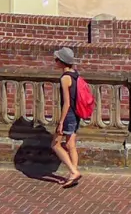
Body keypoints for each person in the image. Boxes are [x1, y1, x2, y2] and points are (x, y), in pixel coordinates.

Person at [51, 46, 83, 189]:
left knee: (55, 144)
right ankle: (73, 174)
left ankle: (73, 171)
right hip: (77, 114)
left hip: (69, 114)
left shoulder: (65, 78)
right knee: (71, 145)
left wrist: (61, 122)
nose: (55, 61)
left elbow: (67, 103)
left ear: (62, 62)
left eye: (57, 59)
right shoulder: (75, 74)